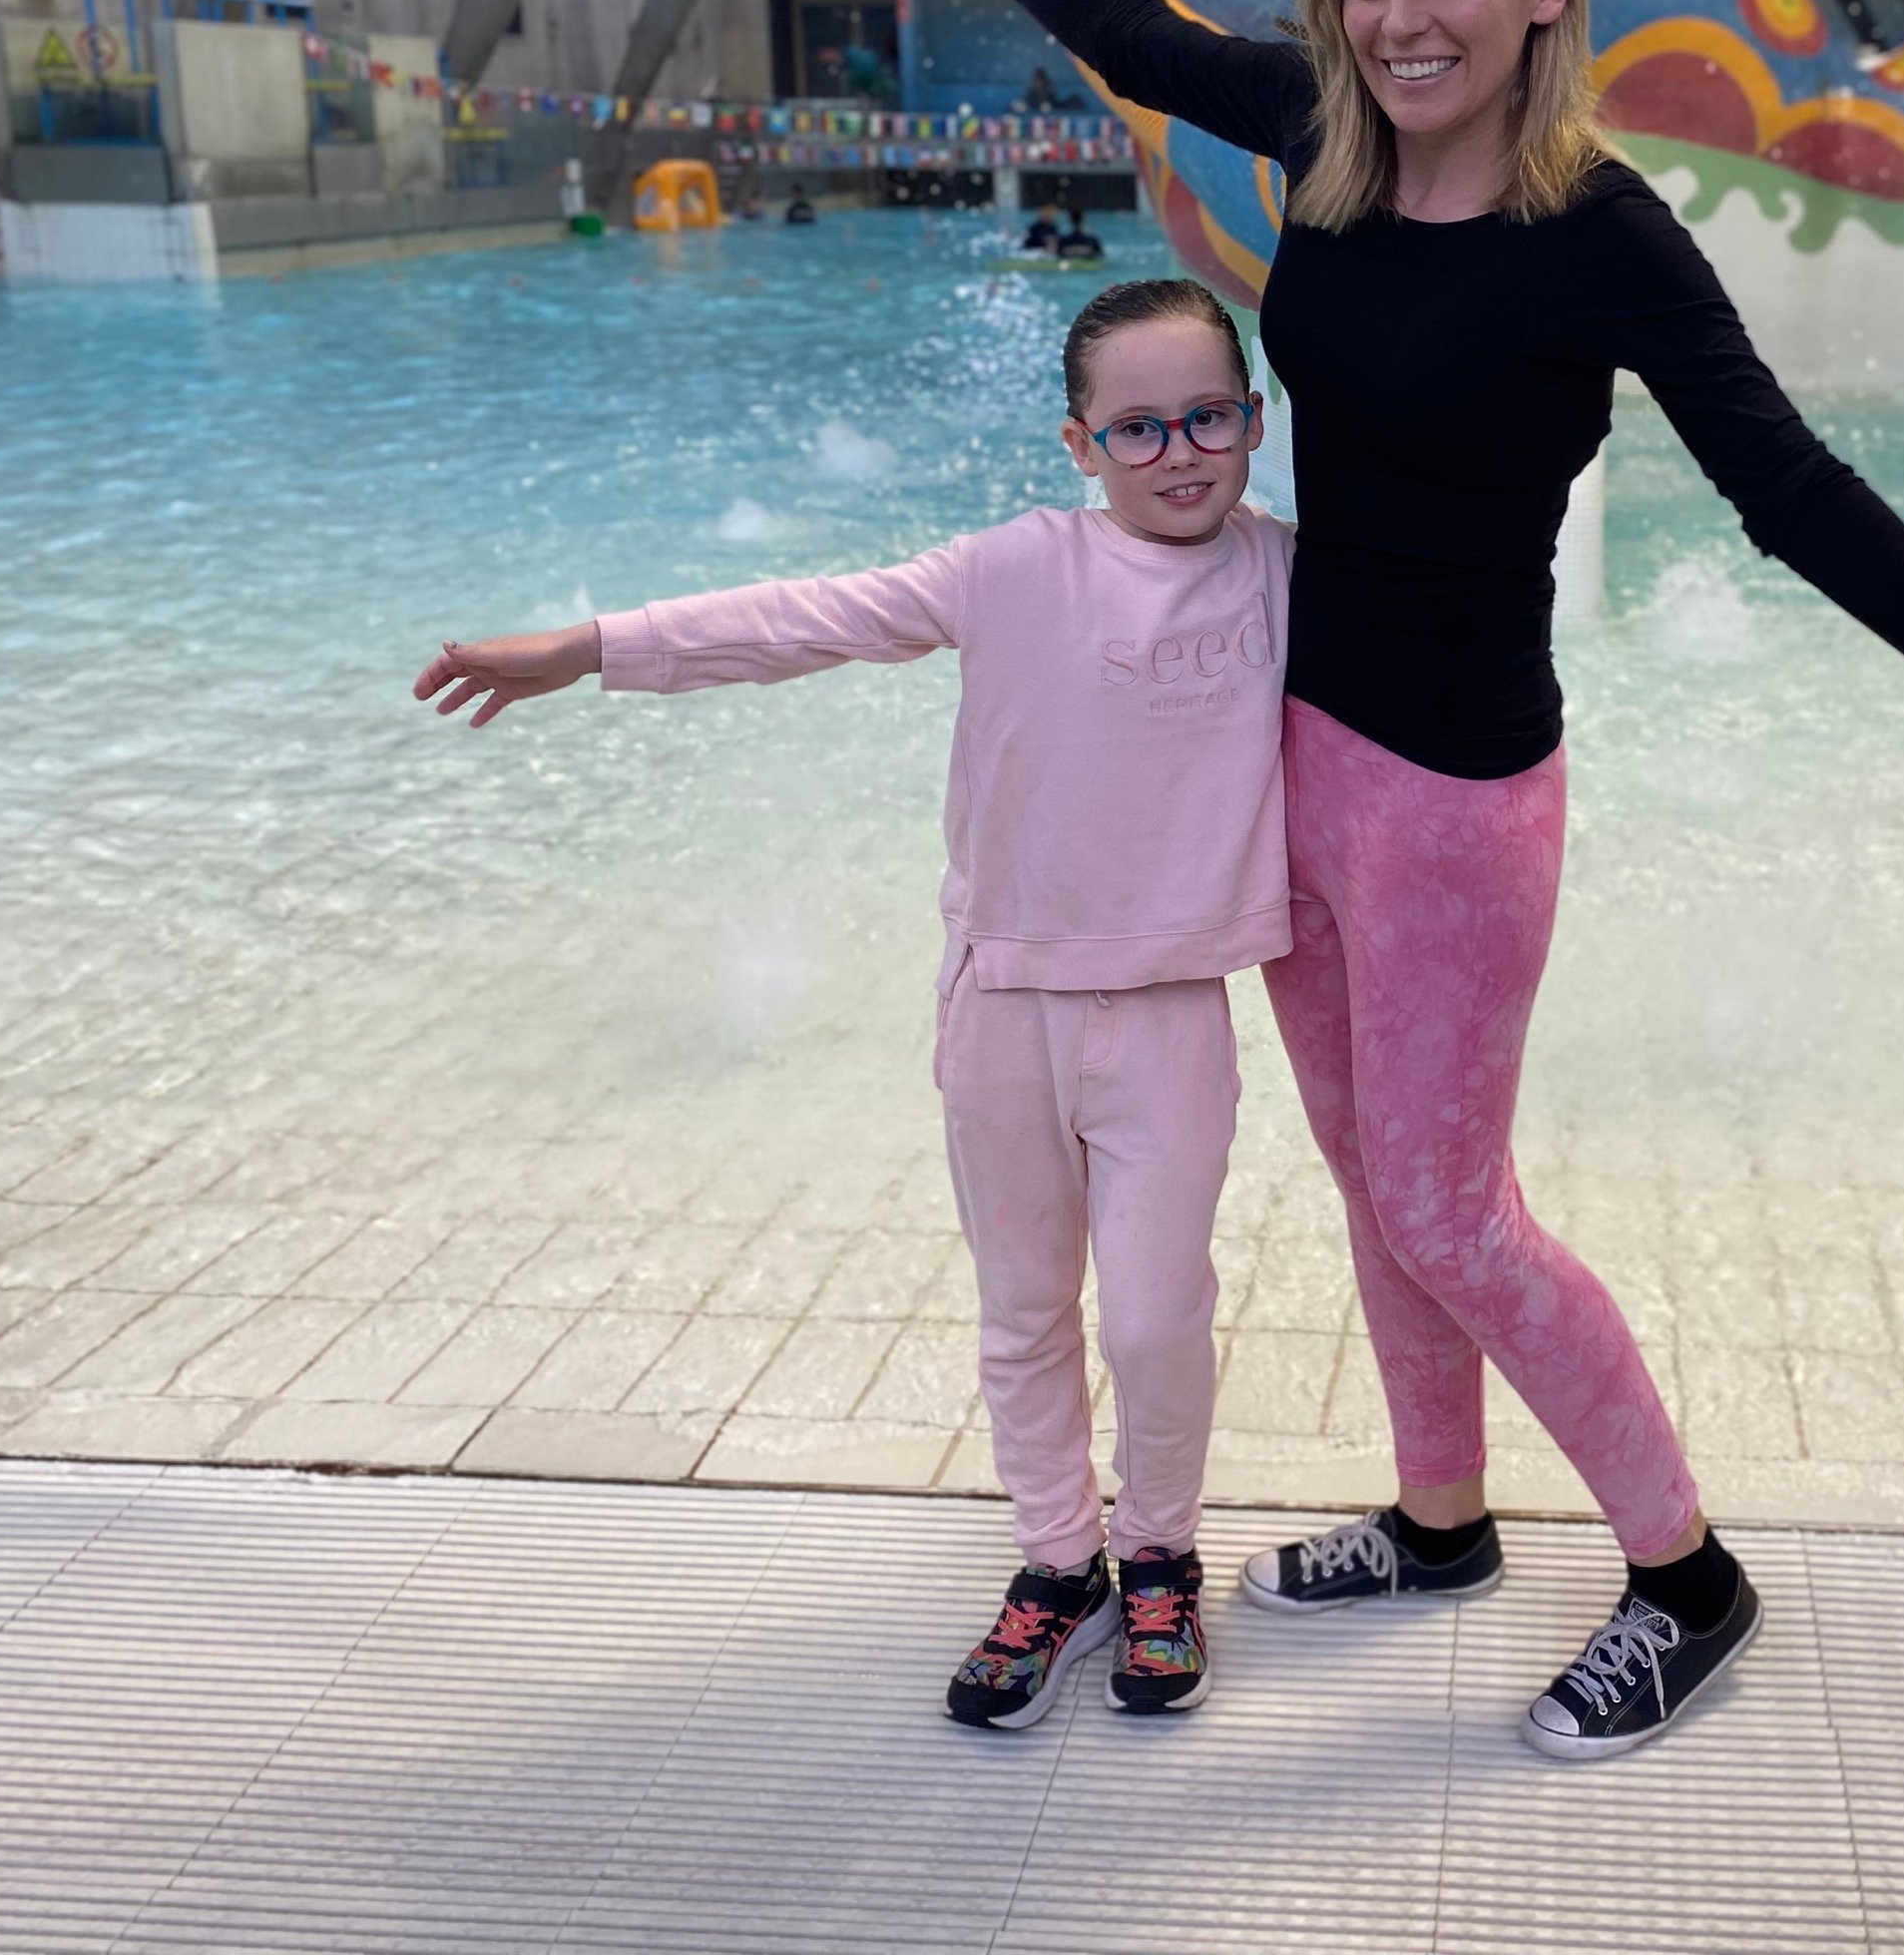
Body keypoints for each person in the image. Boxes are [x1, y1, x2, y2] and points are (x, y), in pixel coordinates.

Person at [807, 0, 1904, 1762]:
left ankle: (1686, 1574)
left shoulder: (1604, 237)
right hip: (1291, 759)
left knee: (1449, 1203)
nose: (1406, 17)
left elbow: (1791, 489)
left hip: (1459, 792)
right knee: (1367, 1183)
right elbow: (1144, 44)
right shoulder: (1328, 146)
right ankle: (1441, 1521)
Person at [411, 280, 1291, 1734]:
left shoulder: (1280, 574)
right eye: (1139, 428)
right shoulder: (1015, 570)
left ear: (1254, 422)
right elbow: (802, 617)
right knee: (1023, 1314)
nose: (1179, 451)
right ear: (1080, 444)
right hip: (1003, 1006)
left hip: (1174, 1018)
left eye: (1209, 416)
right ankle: (1060, 1560)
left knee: (1151, 1317)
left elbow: (1436, 621)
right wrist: (584, 649)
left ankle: (1161, 1553)